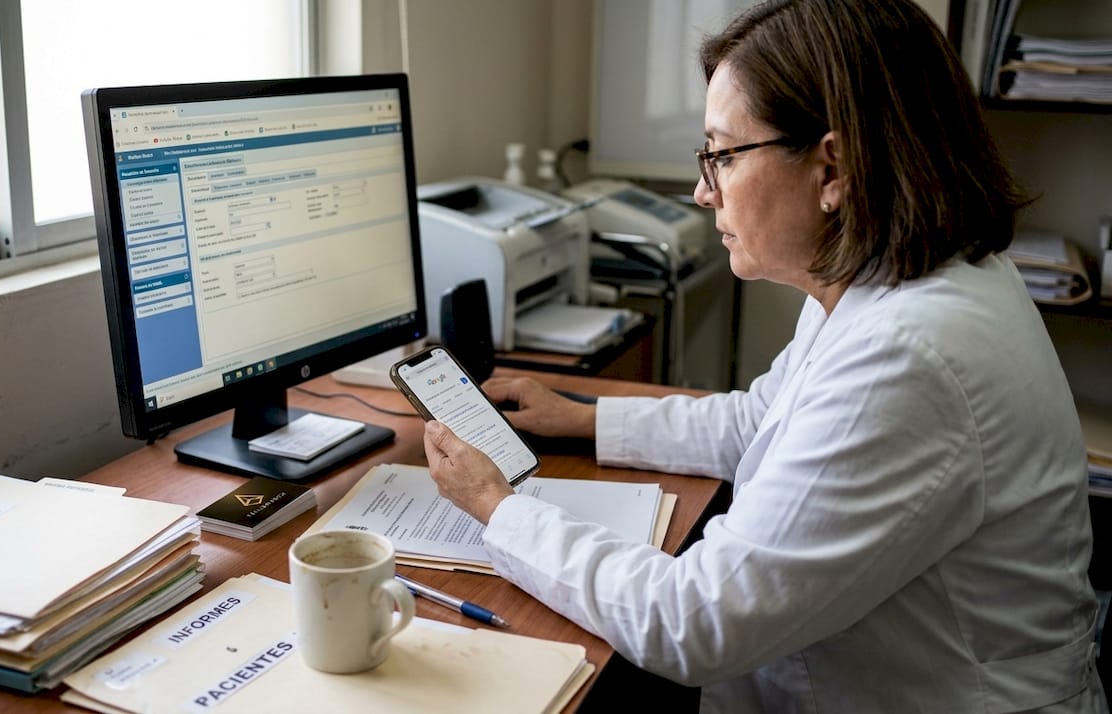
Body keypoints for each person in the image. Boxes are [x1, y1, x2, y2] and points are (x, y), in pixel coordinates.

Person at [420, 0, 1108, 711]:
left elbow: (693, 623)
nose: (702, 191)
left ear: (832, 169)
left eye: (721, 155)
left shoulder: (909, 355)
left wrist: (498, 507)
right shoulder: (890, 278)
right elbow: (758, 421)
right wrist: (584, 419)